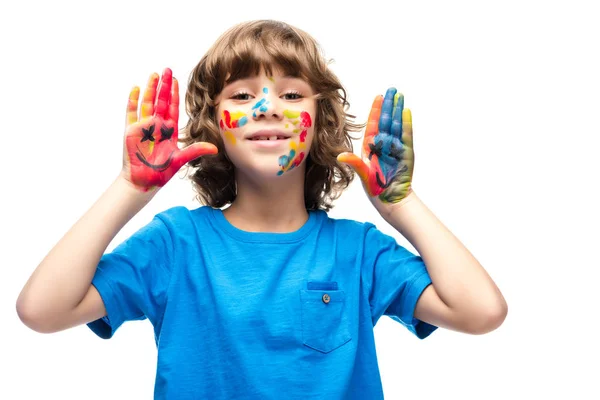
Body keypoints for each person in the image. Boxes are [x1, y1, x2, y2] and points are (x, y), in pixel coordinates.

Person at [16, 20, 507, 399]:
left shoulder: (358, 251)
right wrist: (131, 187)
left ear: (320, 122)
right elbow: (42, 311)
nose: (267, 108)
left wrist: (400, 205)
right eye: (243, 95)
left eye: (292, 94)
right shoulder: (175, 244)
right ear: (215, 125)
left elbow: (481, 312)